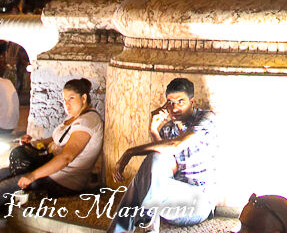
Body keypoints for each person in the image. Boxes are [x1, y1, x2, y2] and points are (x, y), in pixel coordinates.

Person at [108, 77, 217, 233]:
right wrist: (153, 130)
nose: (175, 108)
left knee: (140, 185)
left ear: (192, 102)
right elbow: (164, 165)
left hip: (199, 202)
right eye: (170, 102)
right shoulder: (167, 130)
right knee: (154, 159)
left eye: (181, 102)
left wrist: (130, 152)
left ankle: (129, 226)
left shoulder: (206, 119)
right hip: (166, 199)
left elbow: (175, 145)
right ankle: (147, 222)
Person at [0, 77, 102, 204]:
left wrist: (32, 176)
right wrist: (34, 143)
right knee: (2, 173)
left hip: (62, 181)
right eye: (65, 99)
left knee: (4, 188)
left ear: (83, 98)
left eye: (71, 98)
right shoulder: (74, 116)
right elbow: (56, 139)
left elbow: (67, 157)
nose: (67, 104)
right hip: (50, 169)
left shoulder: (87, 122)